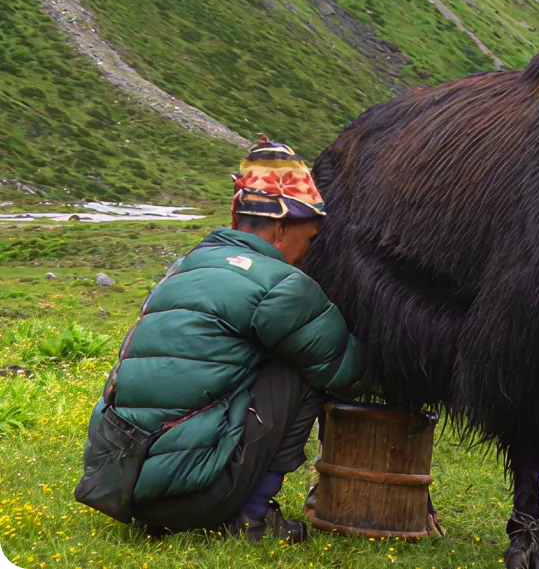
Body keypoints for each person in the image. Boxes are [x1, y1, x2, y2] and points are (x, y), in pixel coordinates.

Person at [76, 136, 363, 544]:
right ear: (282, 226)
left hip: (122, 487)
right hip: (195, 496)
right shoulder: (281, 284)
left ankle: (193, 493)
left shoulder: (184, 267)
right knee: (301, 370)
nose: (307, 252)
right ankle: (252, 516)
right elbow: (345, 370)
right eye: (310, 238)